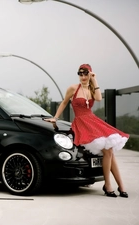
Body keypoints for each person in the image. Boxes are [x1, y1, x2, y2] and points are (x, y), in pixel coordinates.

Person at [44, 64, 129, 198]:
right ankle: (108, 185)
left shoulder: (92, 89)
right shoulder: (73, 88)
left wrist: (94, 80)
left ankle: (120, 185)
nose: (83, 77)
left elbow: (99, 98)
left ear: (90, 74)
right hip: (81, 123)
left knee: (109, 150)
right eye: (80, 74)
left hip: (92, 121)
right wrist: (55, 117)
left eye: (86, 74)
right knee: (108, 151)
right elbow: (64, 102)